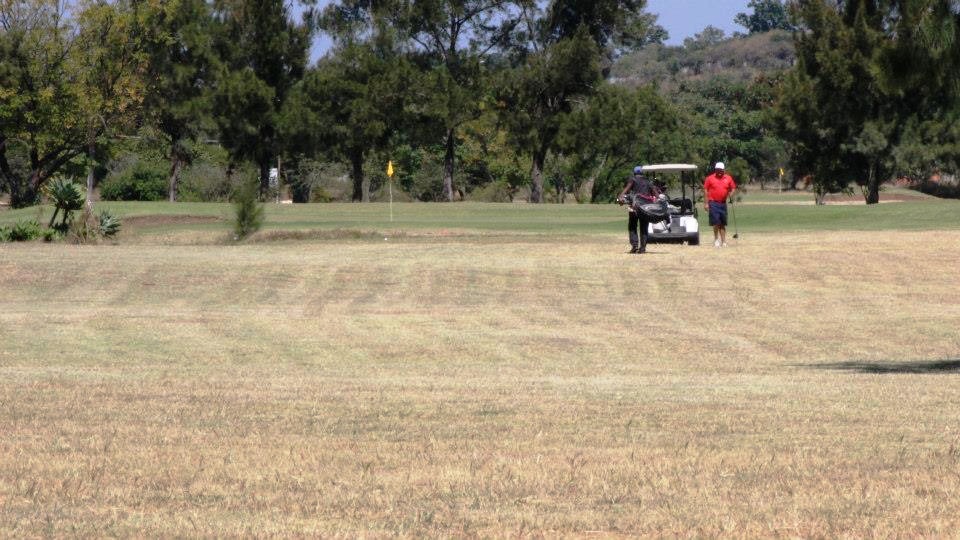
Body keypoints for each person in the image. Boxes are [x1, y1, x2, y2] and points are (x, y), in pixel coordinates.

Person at [617, 165, 662, 254]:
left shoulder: (633, 180)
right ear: (642, 173)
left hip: (634, 207)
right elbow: (656, 194)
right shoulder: (648, 181)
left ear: (634, 173)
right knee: (644, 227)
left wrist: (620, 196)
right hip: (646, 208)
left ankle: (634, 246)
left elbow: (626, 189)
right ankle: (643, 248)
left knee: (632, 226)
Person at [703, 162, 737, 248]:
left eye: (721, 170)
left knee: (722, 223)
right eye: (718, 170)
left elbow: (733, 188)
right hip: (713, 202)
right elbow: (706, 190)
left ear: (724, 170)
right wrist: (706, 203)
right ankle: (716, 240)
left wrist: (731, 194)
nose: (720, 172)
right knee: (716, 222)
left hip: (723, 203)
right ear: (715, 170)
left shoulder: (728, 178)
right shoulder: (710, 178)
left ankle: (724, 242)